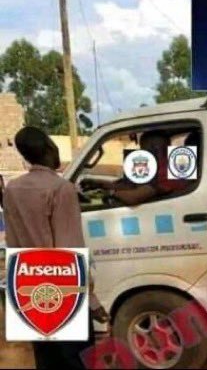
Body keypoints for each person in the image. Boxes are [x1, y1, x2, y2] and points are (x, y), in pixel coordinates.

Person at [3, 126, 109, 369]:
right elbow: (69, 250)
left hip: (29, 285)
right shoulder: (61, 188)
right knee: (76, 360)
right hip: (62, 288)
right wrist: (92, 302)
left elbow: (13, 243)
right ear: (50, 148)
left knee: (46, 359)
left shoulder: (12, 190)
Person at [81, 130, 187, 206]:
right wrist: (100, 183)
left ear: (156, 148)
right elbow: (131, 186)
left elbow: (134, 197)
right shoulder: (159, 167)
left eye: (144, 150)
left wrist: (111, 193)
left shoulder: (167, 171)